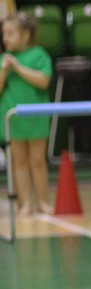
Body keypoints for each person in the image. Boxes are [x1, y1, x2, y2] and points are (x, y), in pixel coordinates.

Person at [1, 12, 54, 215]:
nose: (5, 38)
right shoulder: (3, 60)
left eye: (10, 33)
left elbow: (43, 80)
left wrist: (18, 67)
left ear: (26, 35)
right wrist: (5, 71)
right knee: (19, 163)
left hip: (36, 118)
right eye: (4, 34)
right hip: (13, 120)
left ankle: (42, 201)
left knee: (38, 161)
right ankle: (25, 203)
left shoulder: (39, 55)